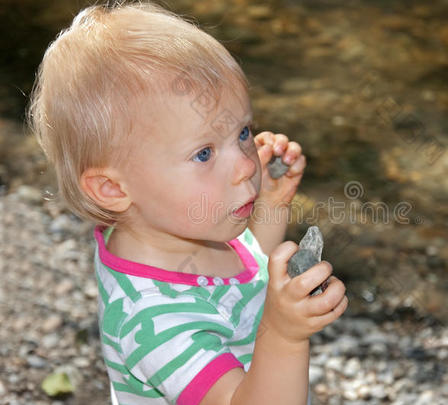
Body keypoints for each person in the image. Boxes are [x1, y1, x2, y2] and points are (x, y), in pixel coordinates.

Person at [26, 2, 349, 404]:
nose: (245, 165)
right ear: (112, 188)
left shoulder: (171, 228)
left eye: (243, 131)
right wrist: (284, 335)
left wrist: (270, 204)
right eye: (204, 153)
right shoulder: (153, 319)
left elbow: (245, 280)